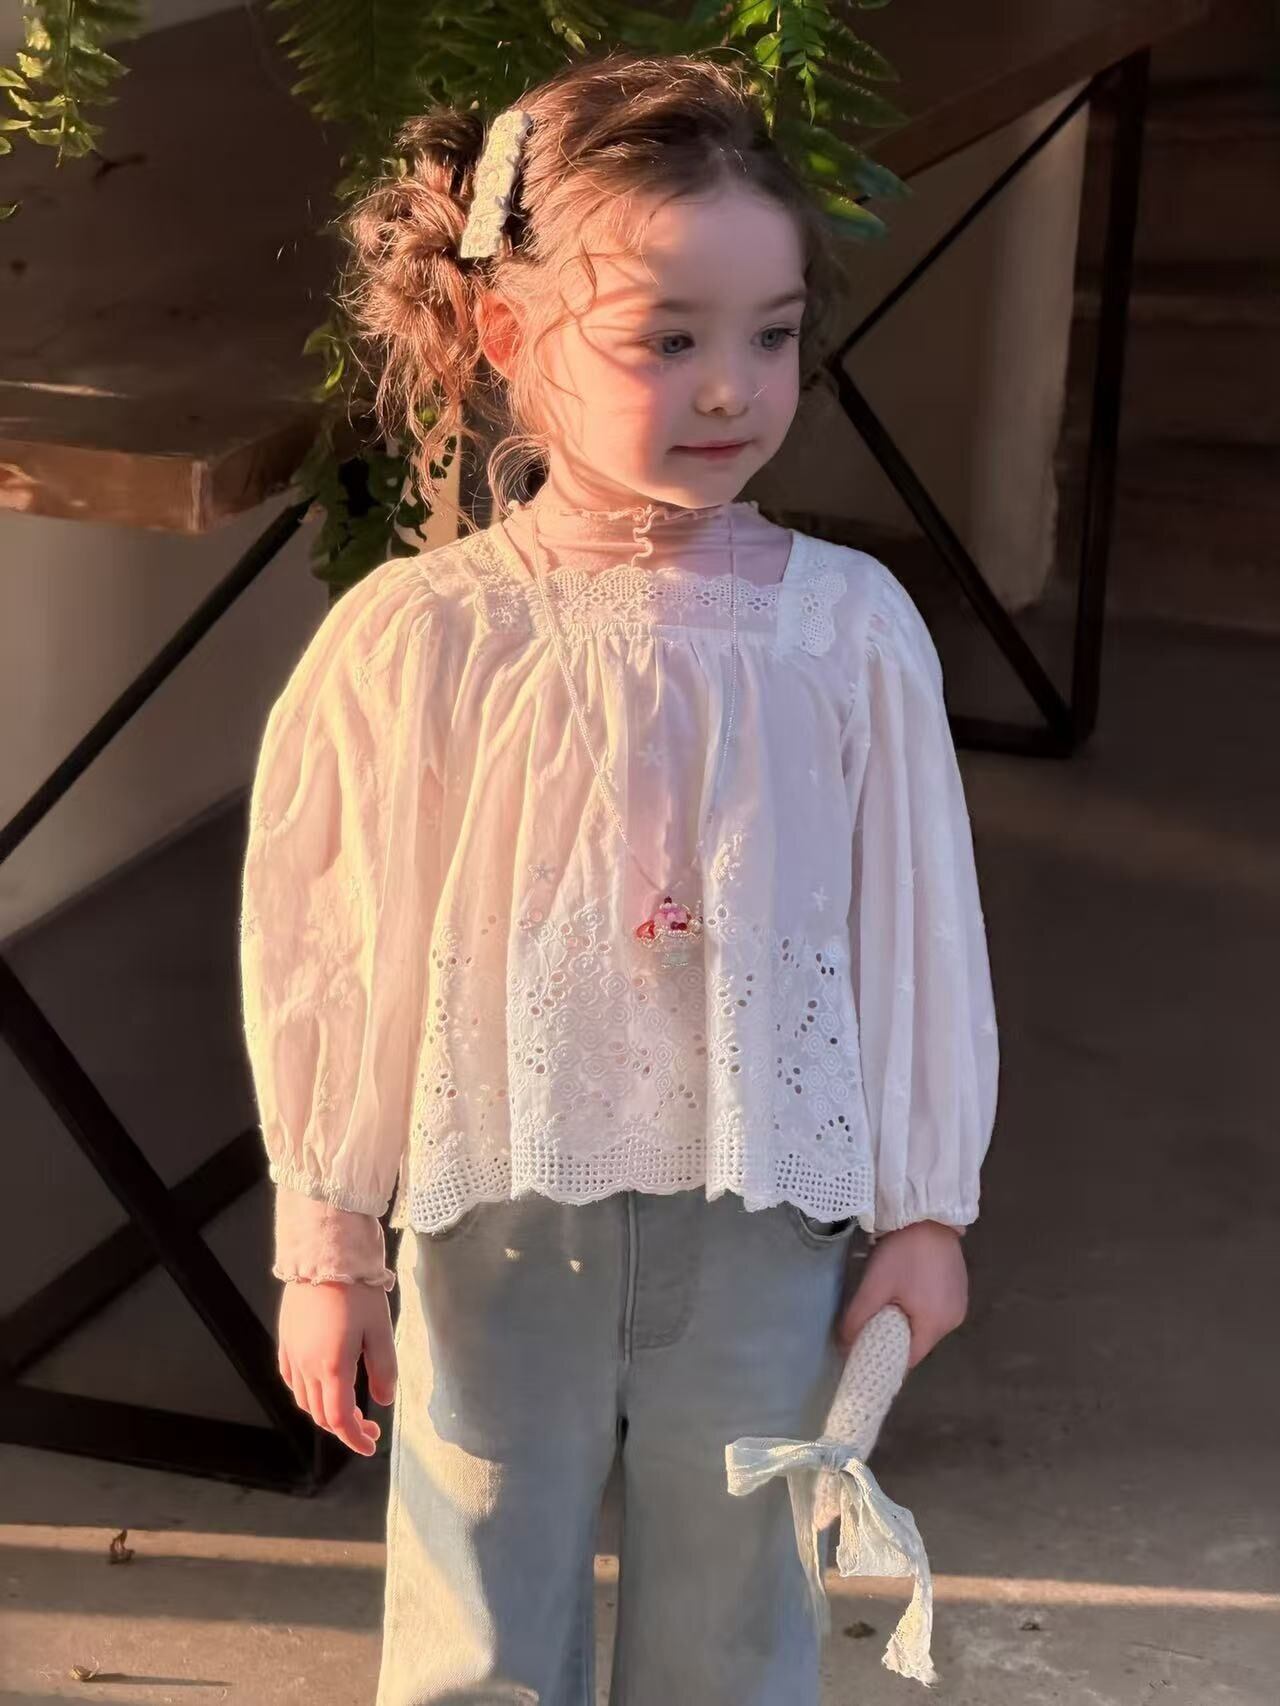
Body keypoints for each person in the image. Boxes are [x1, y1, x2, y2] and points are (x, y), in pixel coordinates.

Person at [239, 49, 1000, 1706]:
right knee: (477, 1606)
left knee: (743, 1608)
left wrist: (927, 1202)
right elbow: (338, 946)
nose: (733, 388)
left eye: (771, 335)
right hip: (494, 1207)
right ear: (509, 336)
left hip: (767, 1215)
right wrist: (327, 1235)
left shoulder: (844, 632)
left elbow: (916, 926)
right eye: (667, 340)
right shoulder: (425, 638)